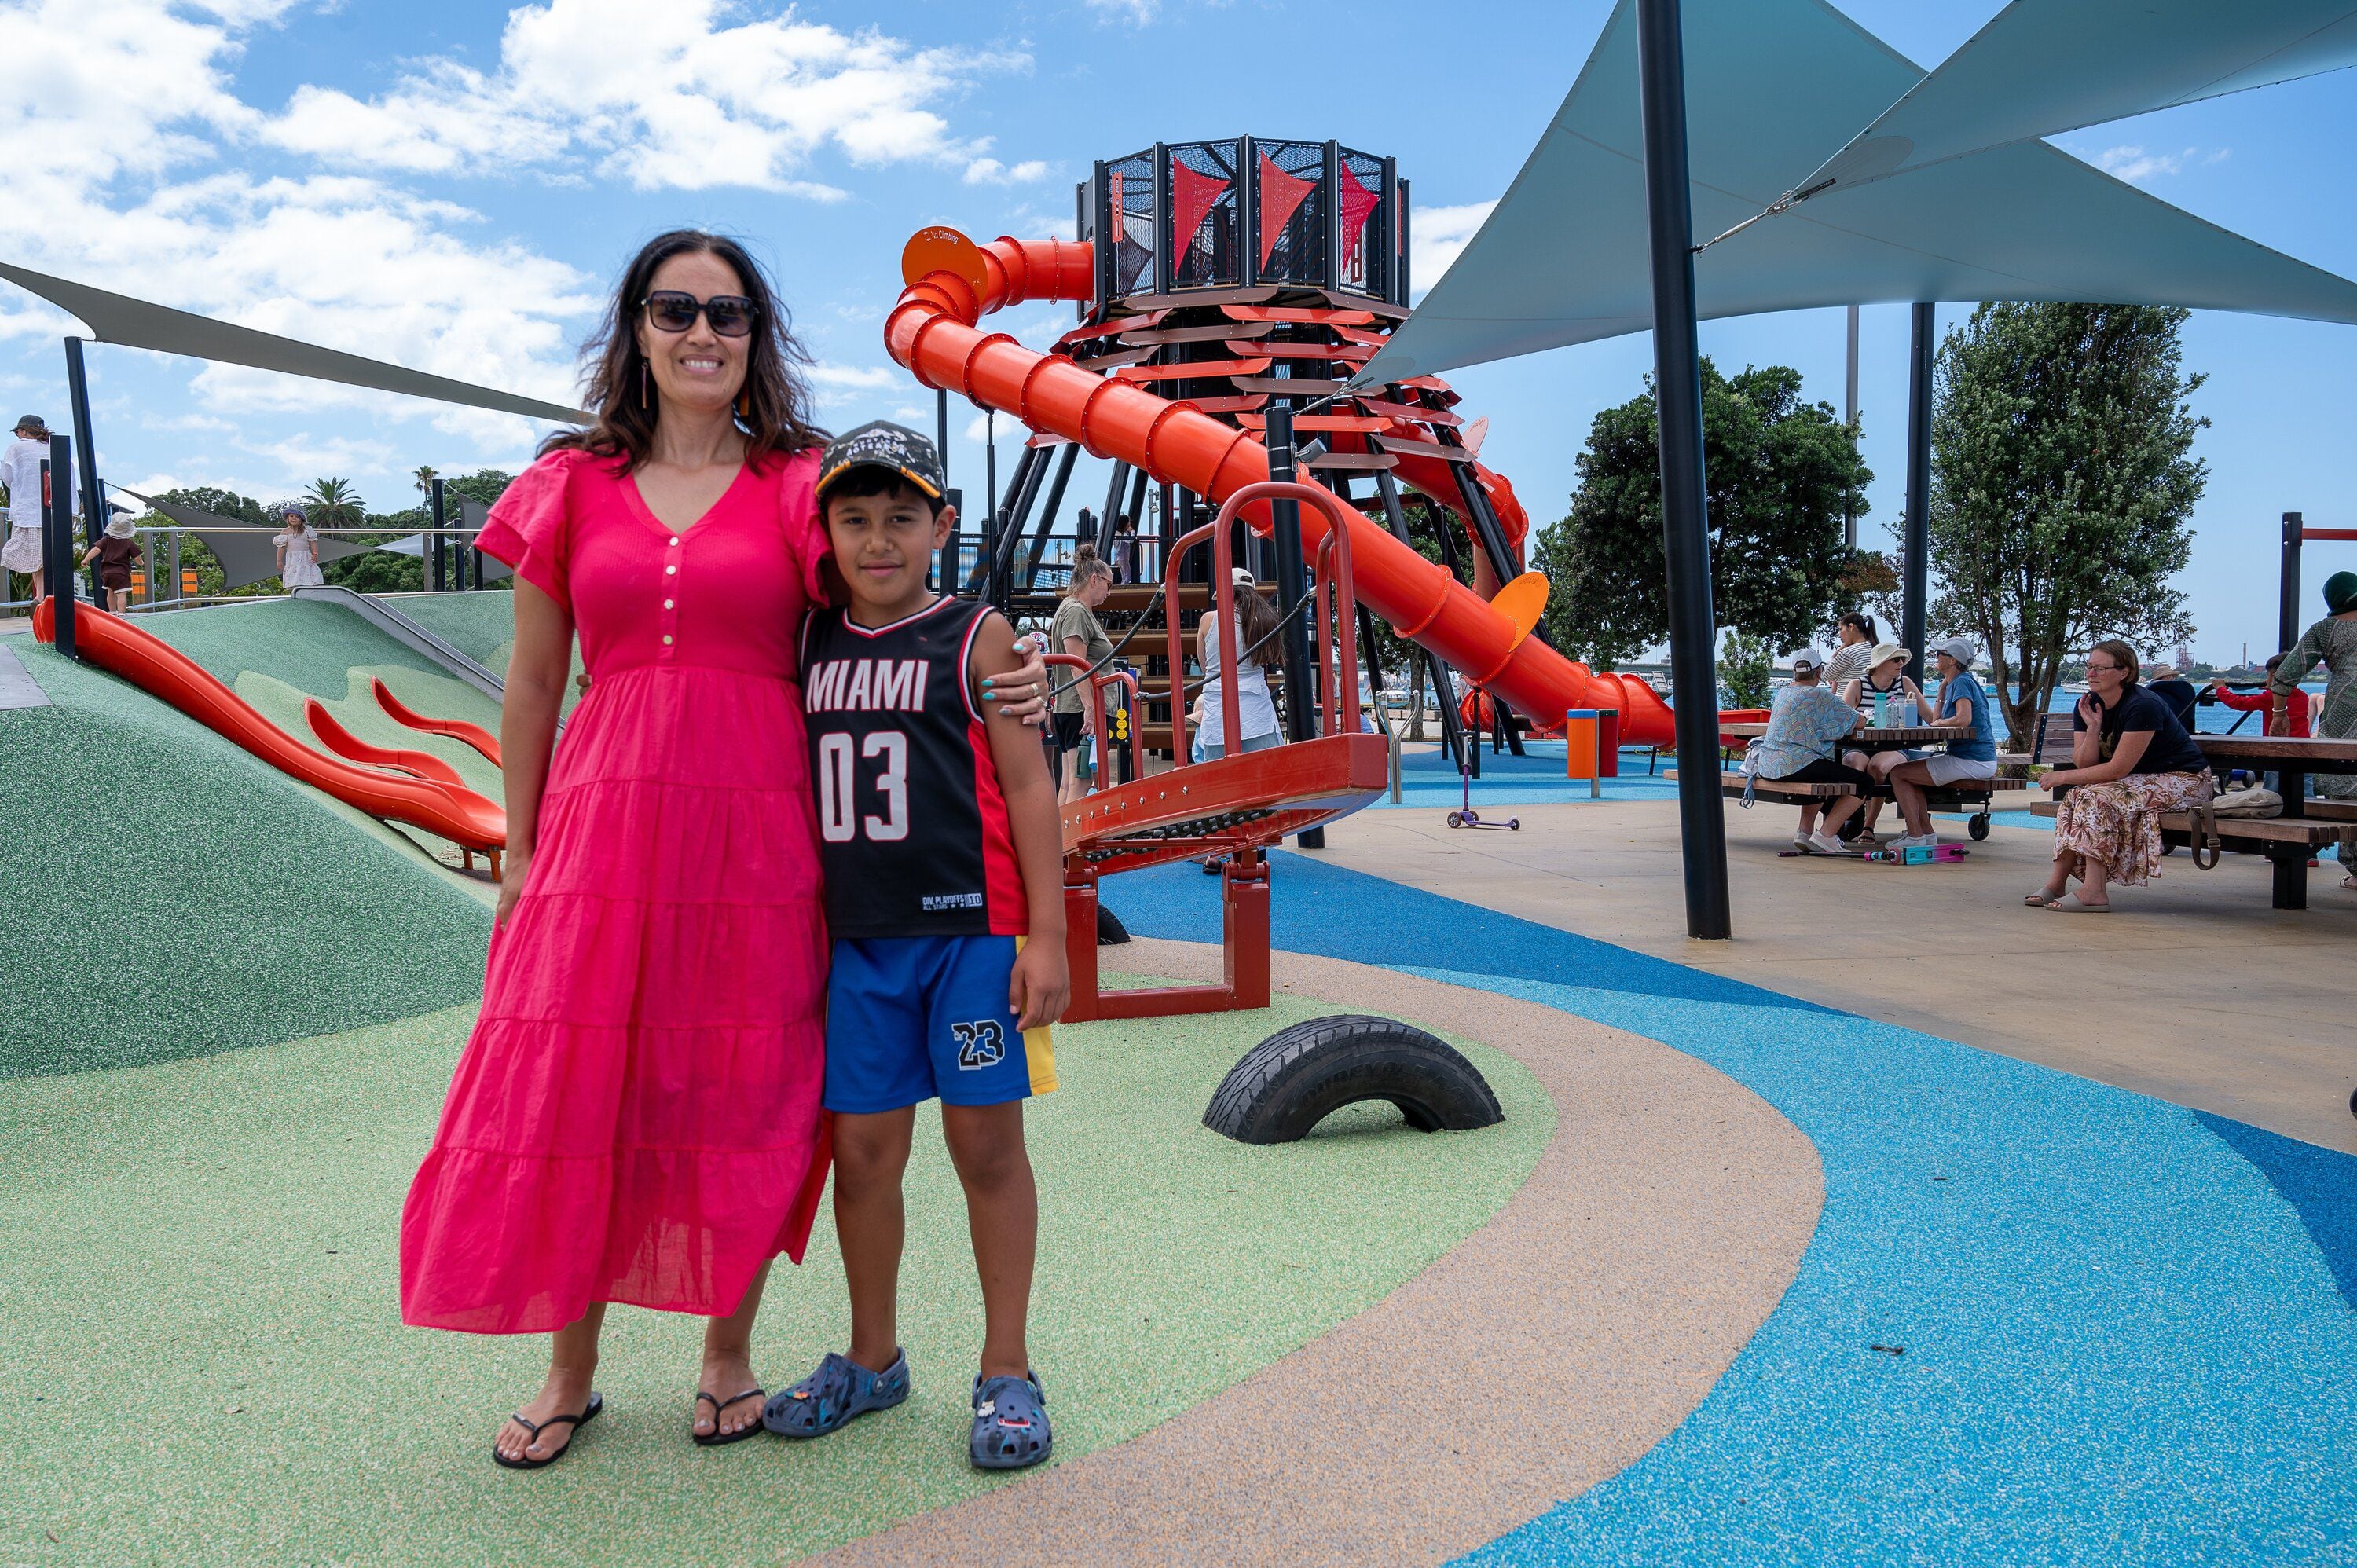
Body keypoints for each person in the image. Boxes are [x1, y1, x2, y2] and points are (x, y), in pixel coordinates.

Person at [398, 228, 1051, 1469]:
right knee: (581, 1081)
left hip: (763, 827)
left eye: (729, 314)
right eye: (675, 308)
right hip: (605, 822)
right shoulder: (569, 486)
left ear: (758, 339)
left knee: (741, 1086)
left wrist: (1013, 682)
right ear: (635, 329)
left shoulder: (798, 483)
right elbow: (534, 683)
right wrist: (522, 846)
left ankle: (727, 1351)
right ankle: (569, 1370)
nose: (703, 333)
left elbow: (888, 601)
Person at [764, 421, 1069, 1472]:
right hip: (860, 947)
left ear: (942, 524)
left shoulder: (978, 637)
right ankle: (875, 1355)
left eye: (902, 516)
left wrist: (1047, 932)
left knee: (987, 1150)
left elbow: (1029, 784)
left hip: (970, 940)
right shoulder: (806, 641)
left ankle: (1006, 1367)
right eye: (855, 518)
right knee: (862, 1157)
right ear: (827, 532)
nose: (879, 539)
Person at [2030, 639, 2211, 912]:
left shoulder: (2143, 705)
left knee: (2095, 796)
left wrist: (2062, 777)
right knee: (2076, 796)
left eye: (2100, 668)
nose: (2091, 674)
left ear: (2124, 672)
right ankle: (2057, 883)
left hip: (2185, 780)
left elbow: (2118, 769)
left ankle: (2094, 891)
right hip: (2140, 780)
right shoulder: (2088, 705)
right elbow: (2084, 762)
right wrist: (2093, 728)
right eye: (2089, 667)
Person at [1864, 638, 1999, 849]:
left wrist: (1941, 721)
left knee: (1899, 773)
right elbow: (1935, 719)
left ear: (1953, 659)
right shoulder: (1955, 682)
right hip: (1973, 759)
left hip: (1972, 759)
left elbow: (1964, 719)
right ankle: (1925, 835)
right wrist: (1942, 689)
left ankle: (1916, 835)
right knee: (1910, 775)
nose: (1935, 657)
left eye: (1940, 654)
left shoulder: (1962, 682)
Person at [2269, 570, 2357, 889]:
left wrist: (2279, 713)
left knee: (2345, 788)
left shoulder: (2325, 628)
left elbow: (2286, 674)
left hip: (2345, 713)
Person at [1756, 647, 1869, 855]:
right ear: (1819, 672)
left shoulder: (1783, 692)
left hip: (1768, 764)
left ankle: (1805, 832)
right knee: (1863, 782)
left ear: (1794, 673)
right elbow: (1859, 721)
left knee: (1819, 768)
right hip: (1796, 764)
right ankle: (1826, 835)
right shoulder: (1819, 694)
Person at [1834, 640, 1922, 844]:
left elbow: (1930, 716)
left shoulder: (1905, 684)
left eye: (1902, 659)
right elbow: (1841, 720)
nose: (1901, 663)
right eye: (1896, 659)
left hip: (1893, 747)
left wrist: (1943, 692)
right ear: (1880, 663)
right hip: (1860, 745)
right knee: (1854, 765)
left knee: (1878, 767)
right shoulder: (1857, 685)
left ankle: (1868, 826)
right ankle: (1847, 818)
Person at [1195, 566, 1284, 760]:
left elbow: (1205, 666)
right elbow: (1268, 657)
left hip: (1218, 714)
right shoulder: (1263, 620)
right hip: (1257, 714)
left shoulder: (1208, 620)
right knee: (1267, 771)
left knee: (1219, 776)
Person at [1050, 546, 1115, 804]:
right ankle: (1069, 841)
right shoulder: (1076, 611)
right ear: (1094, 580)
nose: (1109, 591)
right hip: (1080, 709)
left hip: (1070, 707)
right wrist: (1090, 707)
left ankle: (1060, 840)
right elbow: (1077, 663)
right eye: (1109, 584)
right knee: (1081, 779)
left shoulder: (1071, 609)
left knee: (1069, 780)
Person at [2, 415, 68, 600]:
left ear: (24, 431)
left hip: (28, 510)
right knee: (45, 556)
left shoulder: (16, 448)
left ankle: (42, 598)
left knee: (34, 556)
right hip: (57, 512)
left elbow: (7, 477)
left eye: (18, 431)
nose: (17, 435)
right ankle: (42, 596)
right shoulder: (54, 449)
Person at [2212, 654, 2309, 738]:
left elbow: (2239, 703)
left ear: (2274, 676)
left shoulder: (2269, 697)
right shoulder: (2303, 696)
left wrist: (2220, 689)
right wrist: (2274, 688)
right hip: (2302, 742)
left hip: (2279, 746)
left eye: (2268, 675)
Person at [80, 511, 144, 612]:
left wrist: (86, 560)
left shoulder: (106, 540)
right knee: (121, 594)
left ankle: (112, 612)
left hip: (107, 572)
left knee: (111, 591)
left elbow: (96, 549)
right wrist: (141, 563)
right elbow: (137, 557)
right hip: (121, 573)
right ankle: (121, 614)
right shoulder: (129, 543)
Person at [273, 507, 324, 588]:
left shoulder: (307, 529)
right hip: (292, 558)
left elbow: (313, 542)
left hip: (305, 557)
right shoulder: (285, 531)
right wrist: (279, 560)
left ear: (302, 519)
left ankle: (311, 587)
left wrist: (315, 553)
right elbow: (281, 547)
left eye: (297, 517)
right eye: (292, 516)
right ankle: (295, 588)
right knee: (294, 574)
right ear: (288, 518)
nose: (294, 519)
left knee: (307, 572)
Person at [2145, 664, 2200, 728]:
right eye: (2170, 676)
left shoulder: (2151, 691)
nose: (2172, 678)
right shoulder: (2184, 690)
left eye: (2172, 677)